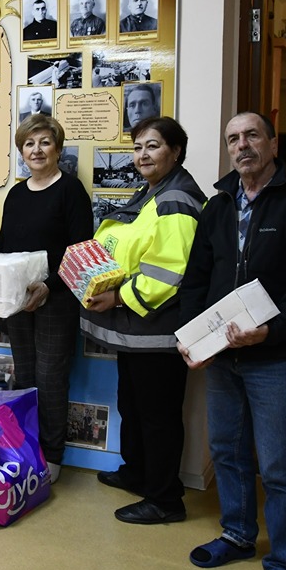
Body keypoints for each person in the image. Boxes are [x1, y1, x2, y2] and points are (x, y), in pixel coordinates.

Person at [177, 112, 286, 570]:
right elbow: (197, 280)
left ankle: (285, 560)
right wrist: (195, 338)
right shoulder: (219, 206)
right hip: (224, 358)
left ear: (272, 144)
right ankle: (238, 535)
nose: (242, 145)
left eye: (252, 135)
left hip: (277, 359)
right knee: (227, 451)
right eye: (233, 138)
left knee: (277, 467)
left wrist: (272, 331)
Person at [81, 116, 206, 525]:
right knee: (132, 406)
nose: (142, 155)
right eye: (137, 148)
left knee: (158, 416)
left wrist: (117, 294)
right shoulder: (152, 192)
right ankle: (137, 473)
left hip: (158, 332)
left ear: (176, 151)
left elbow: (168, 272)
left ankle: (165, 499)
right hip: (136, 332)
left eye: (152, 146)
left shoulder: (177, 199)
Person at [0, 113, 93, 484]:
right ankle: (25, 449)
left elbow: (81, 251)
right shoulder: (16, 194)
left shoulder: (71, 190)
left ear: (58, 149)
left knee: (50, 378)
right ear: (21, 151)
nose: (36, 150)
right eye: (29, 144)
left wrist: (49, 285)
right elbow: (4, 245)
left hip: (55, 299)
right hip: (18, 302)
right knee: (27, 375)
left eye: (44, 142)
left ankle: (51, 459)